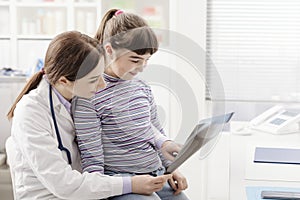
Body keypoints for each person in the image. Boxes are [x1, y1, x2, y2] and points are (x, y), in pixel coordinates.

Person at [6, 31, 172, 200]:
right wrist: (130, 183)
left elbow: (138, 126)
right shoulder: (31, 112)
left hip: (87, 191)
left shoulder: (78, 99)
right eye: (93, 79)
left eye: (101, 74)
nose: (102, 84)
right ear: (64, 81)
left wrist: (167, 163)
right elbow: (64, 185)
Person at [73, 9, 189, 200]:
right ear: (109, 50)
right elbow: (92, 161)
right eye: (135, 59)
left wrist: (171, 170)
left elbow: (155, 133)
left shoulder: (141, 87)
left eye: (147, 60)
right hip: (120, 181)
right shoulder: (89, 94)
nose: (142, 67)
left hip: (157, 173)